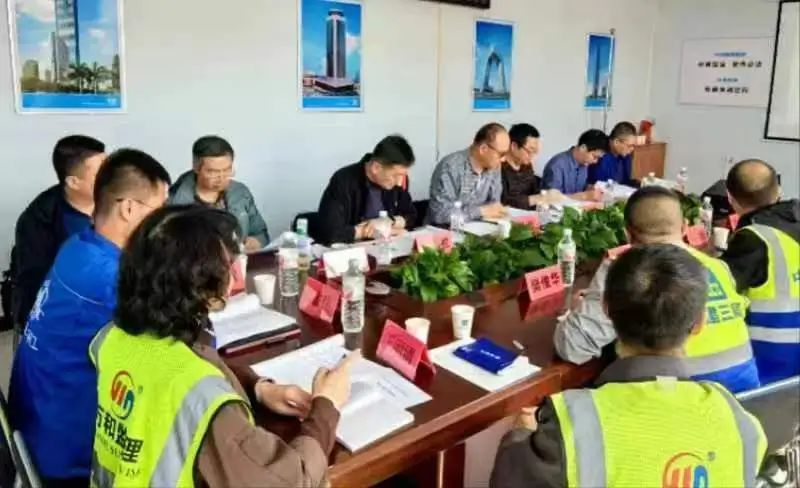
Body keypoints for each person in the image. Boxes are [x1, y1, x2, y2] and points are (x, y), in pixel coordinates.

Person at [88, 205, 355, 487]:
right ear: (201, 288)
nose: (234, 278)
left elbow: (185, 368)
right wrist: (327, 405)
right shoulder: (205, 401)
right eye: (228, 267)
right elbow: (293, 481)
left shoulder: (113, 338)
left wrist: (258, 388)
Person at [492, 244, 767, 488]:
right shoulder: (742, 422)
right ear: (700, 323)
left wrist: (520, 436)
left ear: (606, 310)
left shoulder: (572, 423)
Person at [8, 149, 171, 486]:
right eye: (159, 211)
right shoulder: (111, 279)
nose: (163, 223)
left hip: (33, 418)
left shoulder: (78, 245)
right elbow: (173, 341)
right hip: (65, 453)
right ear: (129, 209)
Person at [554, 186, 759, 393]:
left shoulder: (629, 271)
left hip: (679, 398)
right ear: (684, 227)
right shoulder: (720, 267)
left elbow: (573, 347)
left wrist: (581, 310)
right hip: (746, 397)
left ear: (627, 234)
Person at [12, 135, 105, 330]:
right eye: (101, 174)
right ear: (73, 182)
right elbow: (37, 285)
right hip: (67, 308)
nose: (111, 178)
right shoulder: (39, 221)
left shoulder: (116, 201)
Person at [723, 159, 800, 384]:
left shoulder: (755, 239)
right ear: (779, 189)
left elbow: (723, 286)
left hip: (773, 363)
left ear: (730, 198)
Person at [169, 135, 269, 251]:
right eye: (213, 172)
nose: (221, 178)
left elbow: (261, 233)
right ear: (196, 167)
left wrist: (257, 242)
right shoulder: (173, 201)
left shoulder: (240, 192)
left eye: (227, 170)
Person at [316, 135, 417, 244]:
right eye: (396, 175)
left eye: (403, 175)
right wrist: (367, 230)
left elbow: (411, 216)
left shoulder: (398, 181)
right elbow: (331, 233)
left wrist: (389, 221)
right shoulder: (343, 180)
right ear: (375, 168)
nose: (399, 182)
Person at [428, 123, 509, 225]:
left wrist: (496, 211)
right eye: (501, 154)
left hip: (481, 228)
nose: (504, 159)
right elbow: (440, 215)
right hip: (445, 230)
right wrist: (481, 211)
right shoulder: (450, 167)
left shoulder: (494, 166)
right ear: (483, 149)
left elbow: (494, 205)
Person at [500, 124, 564, 210]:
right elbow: (504, 201)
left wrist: (548, 194)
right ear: (514, 146)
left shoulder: (526, 165)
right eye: (530, 151)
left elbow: (534, 189)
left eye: (535, 152)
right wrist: (537, 198)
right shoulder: (498, 167)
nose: (533, 156)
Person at [541, 129, 608, 199]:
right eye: (594, 157)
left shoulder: (584, 163)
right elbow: (551, 199)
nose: (595, 161)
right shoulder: (557, 165)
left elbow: (580, 187)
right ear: (583, 148)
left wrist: (591, 188)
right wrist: (584, 196)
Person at [587, 121, 637, 185]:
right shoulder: (600, 157)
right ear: (616, 142)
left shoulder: (625, 155)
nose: (632, 149)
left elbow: (626, 182)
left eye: (633, 146)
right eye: (629, 146)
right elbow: (601, 186)